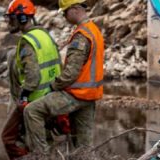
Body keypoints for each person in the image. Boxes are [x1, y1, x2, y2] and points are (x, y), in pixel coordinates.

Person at [23, 0, 104, 151]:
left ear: (74, 9)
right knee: (83, 147)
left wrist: (52, 87)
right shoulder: (94, 30)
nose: (65, 17)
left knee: (32, 111)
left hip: (76, 95)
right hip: (91, 96)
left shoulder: (81, 35)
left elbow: (70, 73)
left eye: (65, 12)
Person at [1, 0, 62, 160]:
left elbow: (33, 78)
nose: (9, 22)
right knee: (45, 140)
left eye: (11, 18)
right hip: (51, 97)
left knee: (8, 138)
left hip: (34, 100)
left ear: (21, 18)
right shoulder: (44, 35)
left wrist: (23, 96)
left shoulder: (27, 42)